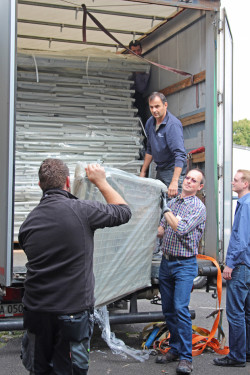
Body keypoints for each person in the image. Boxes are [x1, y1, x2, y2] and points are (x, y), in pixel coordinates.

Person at [19, 159, 132, 375]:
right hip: (71, 312)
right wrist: (101, 181)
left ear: (40, 185)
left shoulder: (29, 221)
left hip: (36, 310)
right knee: (70, 370)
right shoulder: (82, 210)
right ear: (68, 182)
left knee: (39, 369)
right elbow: (124, 212)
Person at [156, 168, 206, 374]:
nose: (188, 182)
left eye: (194, 181)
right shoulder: (174, 203)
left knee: (180, 309)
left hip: (184, 265)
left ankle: (186, 358)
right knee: (168, 310)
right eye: (187, 178)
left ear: (199, 187)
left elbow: (180, 228)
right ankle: (175, 348)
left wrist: (164, 208)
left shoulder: (198, 207)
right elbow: (161, 230)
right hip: (166, 263)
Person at [213, 169, 250, 368]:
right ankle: (246, 352)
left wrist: (230, 264)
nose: (232, 182)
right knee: (247, 313)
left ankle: (236, 356)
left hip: (242, 265)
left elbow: (241, 240)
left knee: (235, 313)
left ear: (245, 184)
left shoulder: (245, 205)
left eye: (235, 180)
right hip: (249, 265)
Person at [139, 92, 187, 199]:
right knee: (160, 202)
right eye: (151, 107)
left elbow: (180, 155)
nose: (154, 110)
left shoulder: (172, 125)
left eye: (157, 106)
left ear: (165, 105)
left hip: (172, 170)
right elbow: (150, 149)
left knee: (172, 205)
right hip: (160, 169)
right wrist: (143, 173)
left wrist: (174, 181)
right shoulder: (150, 123)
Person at [129, 40, 150, 126]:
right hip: (125, 95)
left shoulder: (144, 65)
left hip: (137, 95)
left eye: (138, 50)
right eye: (134, 51)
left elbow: (141, 88)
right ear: (129, 52)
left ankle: (144, 138)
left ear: (141, 50)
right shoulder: (125, 63)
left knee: (141, 117)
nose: (136, 53)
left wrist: (137, 74)